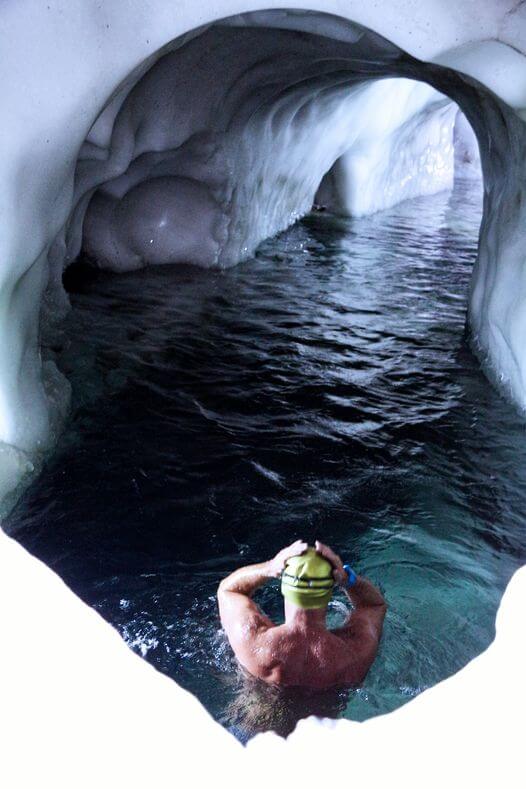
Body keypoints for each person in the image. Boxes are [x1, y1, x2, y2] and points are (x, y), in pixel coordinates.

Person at [217, 540, 386, 689]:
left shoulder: (254, 642)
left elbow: (228, 590)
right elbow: (373, 605)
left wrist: (270, 567)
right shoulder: (352, 655)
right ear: (328, 592)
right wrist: (346, 578)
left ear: (285, 587)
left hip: (254, 725)